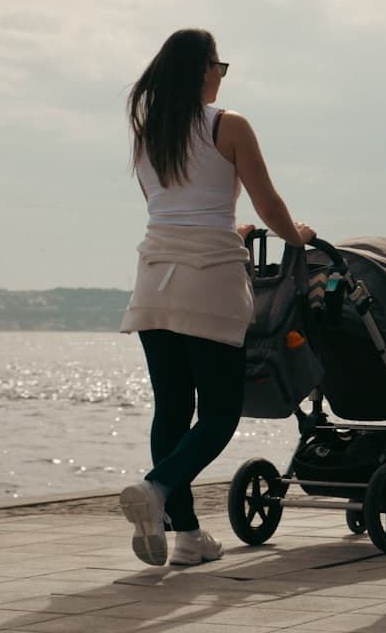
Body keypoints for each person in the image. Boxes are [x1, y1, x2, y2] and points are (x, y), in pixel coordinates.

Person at [118, 29, 314, 567]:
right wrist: (297, 237)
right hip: (208, 282)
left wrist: (234, 227)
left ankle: (186, 537)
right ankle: (156, 489)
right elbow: (267, 201)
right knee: (221, 411)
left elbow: (172, 208)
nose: (220, 77)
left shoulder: (146, 135)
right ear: (204, 69)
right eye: (219, 67)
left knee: (172, 408)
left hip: (153, 279)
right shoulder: (229, 124)